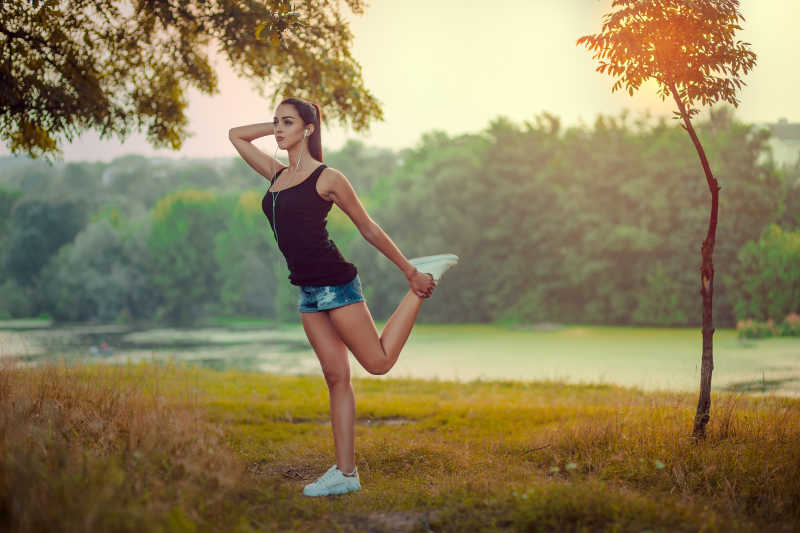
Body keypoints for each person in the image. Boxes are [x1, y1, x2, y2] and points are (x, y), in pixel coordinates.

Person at [229, 97, 458, 497]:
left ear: (309, 129)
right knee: (336, 378)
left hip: (336, 284)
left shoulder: (328, 177)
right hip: (306, 291)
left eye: (287, 123)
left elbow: (368, 227)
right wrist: (275, 127)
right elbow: (235, 136)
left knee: (378, 363)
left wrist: (408, 270)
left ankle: (422, 281)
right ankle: (346, 474)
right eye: (276, 122)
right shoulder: (276, 174)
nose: (279, 129)